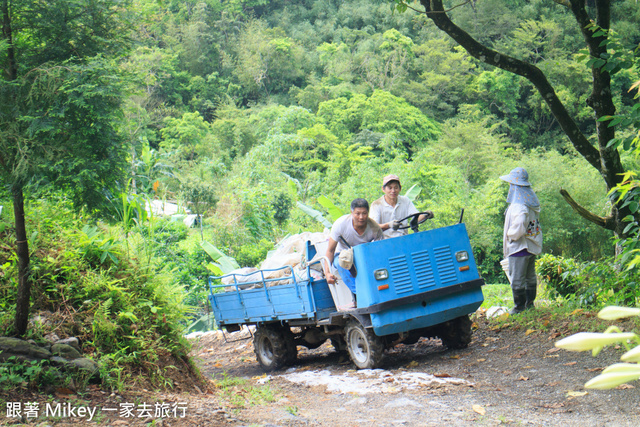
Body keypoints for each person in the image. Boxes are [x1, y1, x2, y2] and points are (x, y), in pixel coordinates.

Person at [500, 167, 543, 314]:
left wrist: (511, 235)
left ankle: (519, 307)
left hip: (519, 247)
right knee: (530, 276)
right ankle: (529, 304)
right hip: (529, 246)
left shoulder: (519, 206)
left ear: (515, 187)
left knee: (517, 278)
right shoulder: (529, 203)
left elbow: (519, 225)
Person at [324, 198, 384, 293]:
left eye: (364, 213)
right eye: (357, 213)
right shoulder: (341, 224)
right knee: (342, 261)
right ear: (351, 212)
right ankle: (360, 294)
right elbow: (330, 251)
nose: (361, 217)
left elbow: (379, 250)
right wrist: (327, 273)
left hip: (364, 255)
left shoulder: (374, 228)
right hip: (342, 254)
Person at [370, 174, 433, 238]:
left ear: (400, 188)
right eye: (390, 188)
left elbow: (416, 218)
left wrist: (426, 215)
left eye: (396, 187)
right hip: (384, 242)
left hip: (403, 239)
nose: (393, 191)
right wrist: (389, 225)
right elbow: (373, 228)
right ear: (383, 189)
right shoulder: (377, 205)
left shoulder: (405, 201)